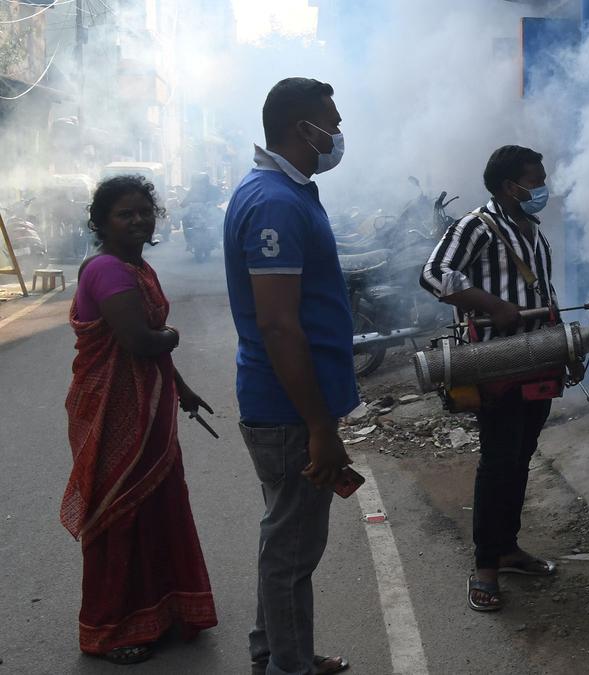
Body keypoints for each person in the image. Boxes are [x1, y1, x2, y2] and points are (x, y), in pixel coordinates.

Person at [223, 77, 354, 675]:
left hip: (291, 407)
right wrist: (319, 425)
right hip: (289, 411)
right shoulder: (274, 200)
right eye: (334, 121)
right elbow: (279, 327)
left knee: (286, 539)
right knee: (293, 551)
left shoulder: (287, 191)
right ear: (305, 129)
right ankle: (288, 667)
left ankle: (277, 651)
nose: (339, 132)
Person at [61, 175, 218, 664]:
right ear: (101, 222)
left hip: (147, 405)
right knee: (120, 511)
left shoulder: (137, 267)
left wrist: (183, 390)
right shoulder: (109, 270)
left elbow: (151, 351)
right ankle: (109, 629)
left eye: (144, 212)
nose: (138, 221)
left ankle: (163, 609)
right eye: (125, 214)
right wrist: (171, 336)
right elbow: (141, 342)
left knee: (158, 506)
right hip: (112, 411)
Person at [420, 145, 559, 611]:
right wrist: (492, 306)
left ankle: (508, 548)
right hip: (496, 363)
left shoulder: (533, 230)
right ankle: (485, 568)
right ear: (509, 187)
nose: (542, 188)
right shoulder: (477, 226)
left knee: (521, 457)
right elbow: (434, 274)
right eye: (534, 181)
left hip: (539, 358)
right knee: (498, 462)